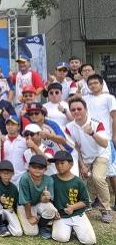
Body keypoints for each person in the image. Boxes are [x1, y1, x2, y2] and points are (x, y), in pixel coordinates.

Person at [65, 96, 113, 223]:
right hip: (85, 156)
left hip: (101, 153)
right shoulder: (69, 127)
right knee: (78, 179)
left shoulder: (96, 123)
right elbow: (75, 148)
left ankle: (105, 209)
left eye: (79, 109)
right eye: (73, 110)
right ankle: (84, 204)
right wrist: (82, 165)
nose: (76, 112)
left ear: (86, 109)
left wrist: (92, 133)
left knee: (98, 177)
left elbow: (104, 144)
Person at [49, 151, 96, 245]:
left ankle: (75, 228)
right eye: (57, 163)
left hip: (77, 214)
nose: (59, 166)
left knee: (89, 241)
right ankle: (69, 229)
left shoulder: (78, 182)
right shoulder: (51, 179)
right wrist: (53, 211)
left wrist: (72, 207)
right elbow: (49, 199)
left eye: (62, 163)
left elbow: (85, 202)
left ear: (71, 164)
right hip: (61, 216)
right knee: (60, 238)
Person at [84, 74, 116, 210]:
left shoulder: (109, 98)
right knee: (91, 174)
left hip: (105, 139)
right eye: (90, 84)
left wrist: (114, 136)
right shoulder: (85, 98)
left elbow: (114, 118)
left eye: (95, 83)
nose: (93, 86)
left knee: (112, 172)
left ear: (102, 84)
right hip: (89, 139)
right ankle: (94, 201)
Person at [17, 155, 57, 239]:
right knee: (31, 233)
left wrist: (46, 198)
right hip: (24, 206)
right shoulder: (25, 178)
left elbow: (44, 201)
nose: (37, 170)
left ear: (45, 169)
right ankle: (33, 218)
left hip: (38, 204)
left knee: (51, 209)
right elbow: (25, 201)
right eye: (34, 167)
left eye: (40, 167)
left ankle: (42, 226)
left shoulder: (49, 180)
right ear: (29, 167)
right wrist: (29, 216)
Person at [0, 160, 23, 237]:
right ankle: (1, 226)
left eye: (9, 173)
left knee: (18, 233)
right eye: (3, 173)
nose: (6, 175)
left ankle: (6, 225)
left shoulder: (14, 188)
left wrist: (16, 215)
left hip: (9, 210)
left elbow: (15, 204)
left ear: (13, 174)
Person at [2, 116, 27, 186]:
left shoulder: (24, 141)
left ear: (19, 127)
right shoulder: (1, 140)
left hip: (21, 176)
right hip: (5, 177)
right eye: (8, 124)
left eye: (13, 124)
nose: (10, 126)